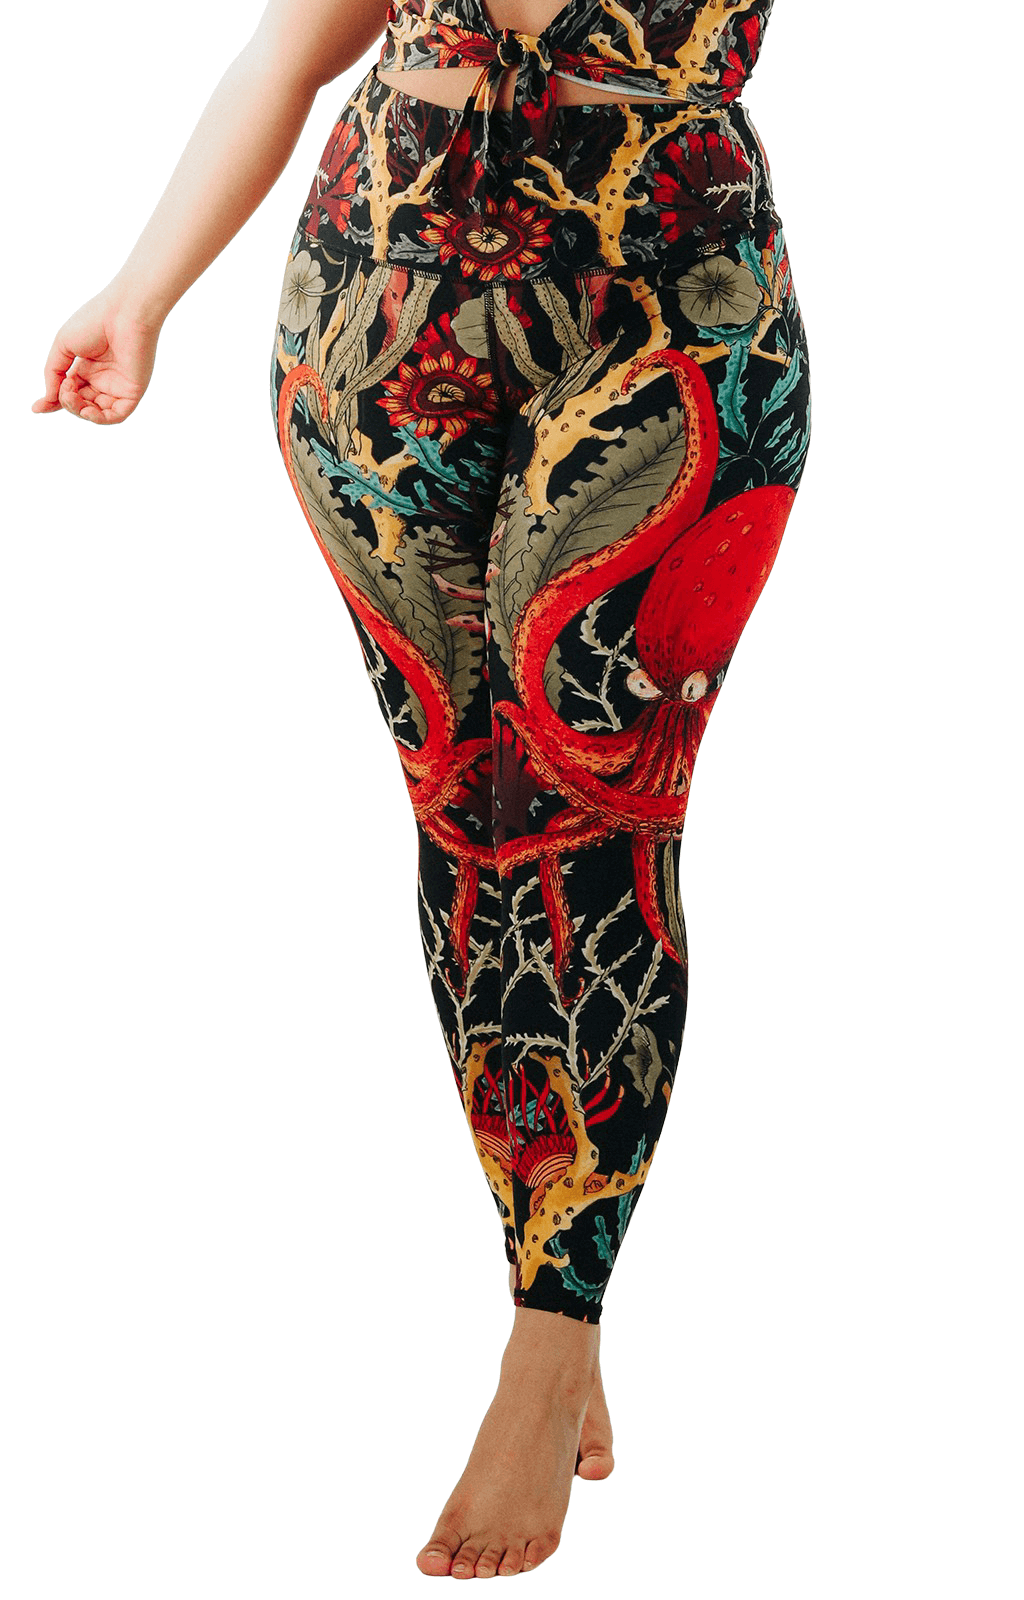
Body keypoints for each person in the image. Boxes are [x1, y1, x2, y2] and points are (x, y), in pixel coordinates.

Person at [33, 0, 811, 1577]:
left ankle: (547, 1340)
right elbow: (292, 49)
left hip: (673, 323)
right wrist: (140, 290)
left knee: (602, 812)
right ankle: (553, 1266)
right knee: (469, 822)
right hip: (371, 327)